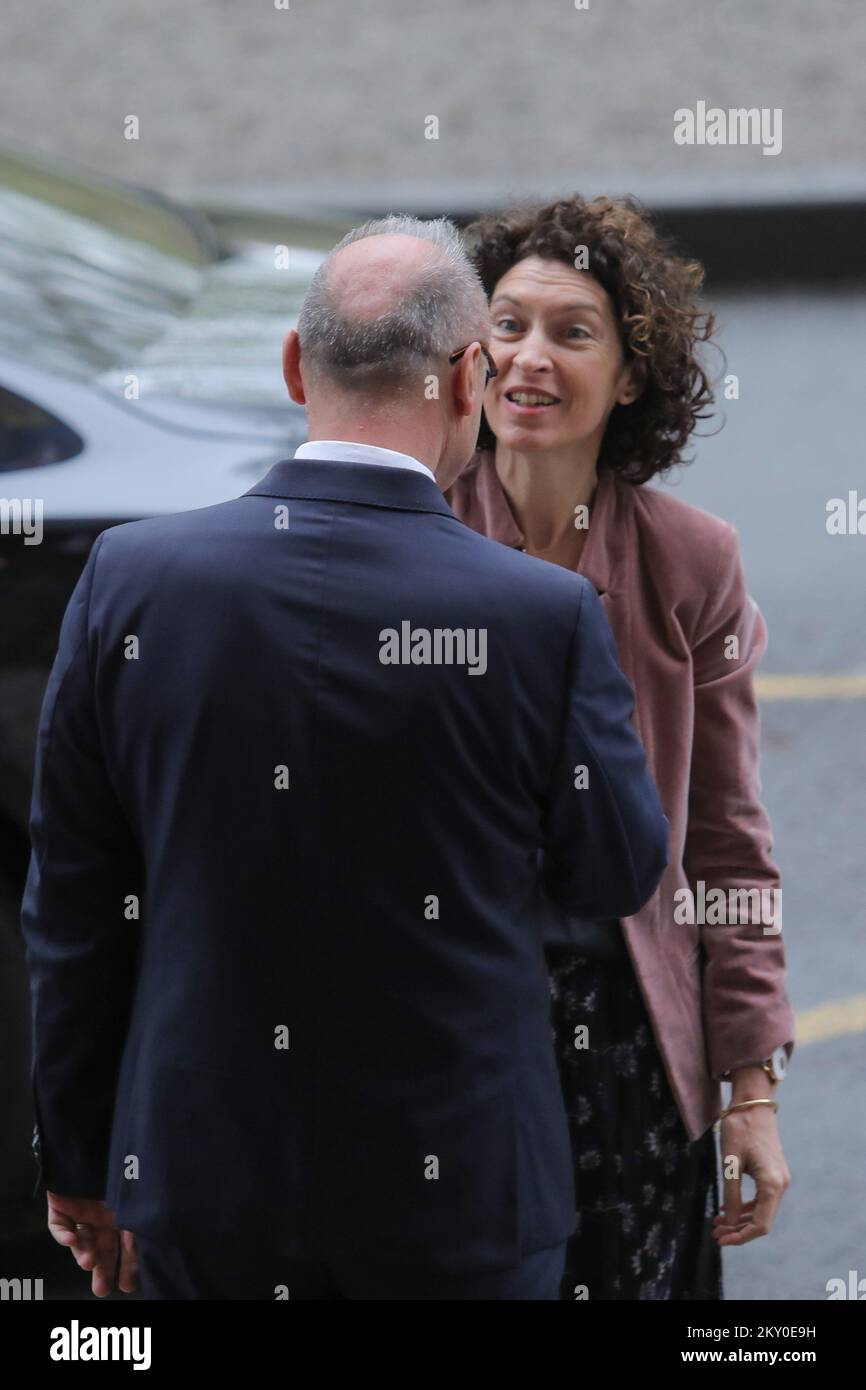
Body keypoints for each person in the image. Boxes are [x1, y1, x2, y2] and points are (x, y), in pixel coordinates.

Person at [20, 214, 668, 1301]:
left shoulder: (130, 580)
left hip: (202, 1185)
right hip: (458, 1199)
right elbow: (613, 870)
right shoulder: (539, 617)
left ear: (291, 364)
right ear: (469, 376)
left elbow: (74, 913)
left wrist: (82, 1163)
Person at [445, 194, 795, 1300]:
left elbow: (726, 845)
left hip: (629, 1053)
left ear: (631, 375)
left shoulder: (690, 562)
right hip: (452, 1027)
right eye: (505, 326)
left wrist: (748, 1091)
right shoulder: (418, 537)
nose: (526, 359)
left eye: (570, 331)